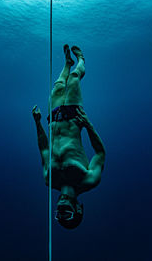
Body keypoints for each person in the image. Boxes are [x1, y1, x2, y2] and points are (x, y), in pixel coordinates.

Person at [32, 45, 105, 229]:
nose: (61, 209)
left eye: (59, 214)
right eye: (67, 214)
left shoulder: (50, 180)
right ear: (78, 209)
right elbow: (100, 154)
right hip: (74, 117)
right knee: (73, 79)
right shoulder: (88, 180)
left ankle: (67, 63)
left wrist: (37, 123)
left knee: (58, 86)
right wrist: (88, 125)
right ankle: (81, 60)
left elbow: (44, 149)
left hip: (53, 119)